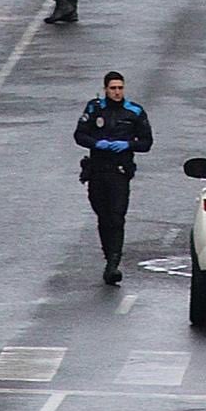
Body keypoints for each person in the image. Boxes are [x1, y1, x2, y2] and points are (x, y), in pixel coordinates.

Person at [73, 70, 154, 285]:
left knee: (117, 217)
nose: (117, 92)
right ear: (106, 89)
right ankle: (108, 256)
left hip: (119, 171)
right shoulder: (95, 108)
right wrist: (95, 143)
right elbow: (79, 135)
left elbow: (146, 142)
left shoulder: (134, 111)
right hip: (98, 170)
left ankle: (114, 264)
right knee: (103, 215)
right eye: (113, 88)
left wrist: (128, 144)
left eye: (120, 88)